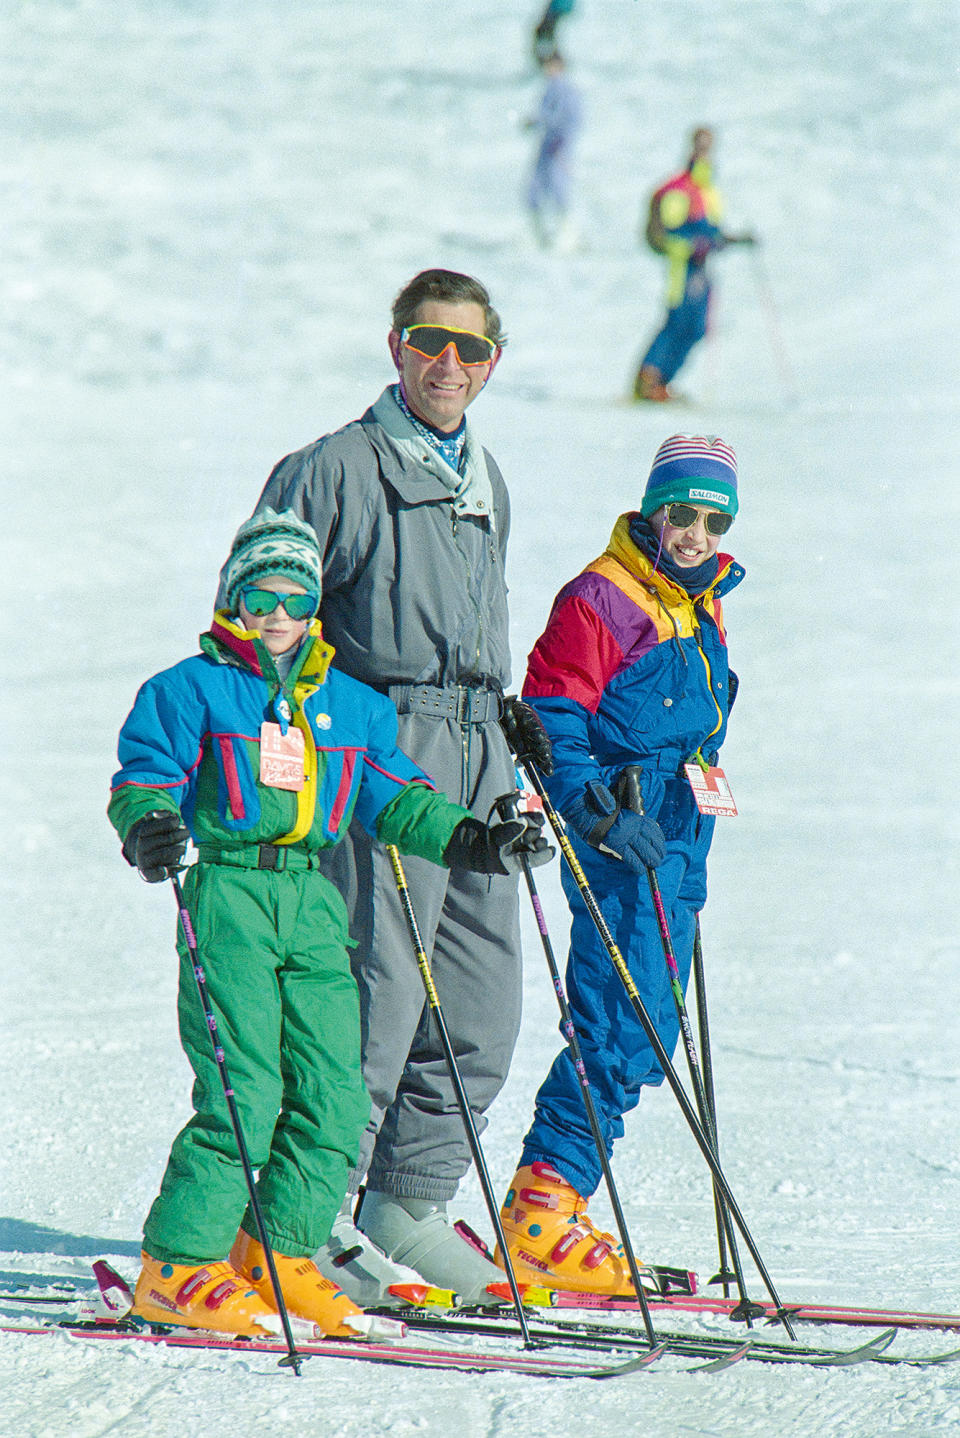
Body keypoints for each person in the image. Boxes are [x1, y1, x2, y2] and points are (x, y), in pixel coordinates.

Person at [109, 508, 551, 1337]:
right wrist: (149, 825)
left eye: (294, 599)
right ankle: (177, 1265)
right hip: (231, 894)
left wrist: (477, 841)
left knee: (335, 1095)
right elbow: (145, 776)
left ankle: (278, 1253)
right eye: (257, 598)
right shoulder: (189, 689)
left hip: (312, 900)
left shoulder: (350, 707)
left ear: (317, 607)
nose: (276, 616)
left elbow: (396, 799)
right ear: (229, 601)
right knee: (248, 1090)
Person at [228, 269, 551, 1306]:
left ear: (493, 361)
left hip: (476, 754)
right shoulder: (334, 469)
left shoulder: (484, 474)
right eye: (427, 342)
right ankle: (304, 1213)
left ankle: (404, 1202)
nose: (447, 364)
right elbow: (257, 624)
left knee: (480, 1001)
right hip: (378, 748)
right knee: (372, 993)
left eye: (469, 349)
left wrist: (509, 723)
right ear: (395, 346)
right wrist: (291, 757)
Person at [496, 435, 745, 1294]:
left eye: (715, 520)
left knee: (651, 1029)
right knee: (619, 1018)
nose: (696, 533)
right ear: (654, 509)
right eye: (682, 513)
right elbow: (553, 713)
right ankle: (542, 1206)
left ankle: (554, 1200)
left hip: (677, 839)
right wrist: (595, 808)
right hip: (619, 835)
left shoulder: (698, 602)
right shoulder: (602, 597)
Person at [633, 128, 756, 402]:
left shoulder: (709, 189)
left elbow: (712, 230)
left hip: (701, 269)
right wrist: (695, 245)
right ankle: (648, 380)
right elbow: (671, 233)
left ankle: (662, 381)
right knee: (677, 322)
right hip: (682, 268)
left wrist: (729, 241)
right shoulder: (680, 189)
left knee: (697, 327)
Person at [524, 51, 583, 250]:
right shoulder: (550, 88)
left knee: (559, 191)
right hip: (547, 148)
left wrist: (561, 142)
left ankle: (566, 236)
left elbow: (568, 120)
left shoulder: (566, 90)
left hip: (559, 149)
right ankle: (540, 235)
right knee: (535, 190)